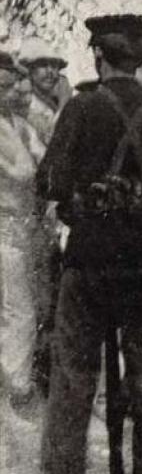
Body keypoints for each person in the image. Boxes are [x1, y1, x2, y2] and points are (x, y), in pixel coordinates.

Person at [34, 13, 142, 474]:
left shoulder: (80, 108)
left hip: (93, 262)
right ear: (139, 57)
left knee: (73, 382)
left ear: (98, 55)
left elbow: (50, 183)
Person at [0, 52, 45, 405]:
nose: (9, 91)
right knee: (19, 310)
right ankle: (17, 387)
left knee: (21, 306)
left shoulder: (17, 123)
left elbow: (44, 157)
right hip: (4, 223)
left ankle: (14, 383)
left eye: (8, 84)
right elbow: (24, 172)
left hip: (21, 225)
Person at [17, 38, 68, 145]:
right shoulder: (26, 104)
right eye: (43, 65)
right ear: (29, 70)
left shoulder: (54, 101)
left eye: (54, 66)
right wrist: (64, 103)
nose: (50, 71)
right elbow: (52, 141)